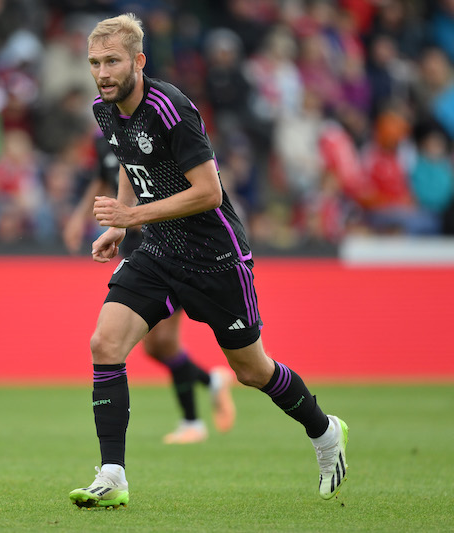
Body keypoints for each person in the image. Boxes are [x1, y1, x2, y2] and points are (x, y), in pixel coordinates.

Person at [68, 13, 348, 509]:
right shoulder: (104, 109)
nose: (102, 72)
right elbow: (133, 165)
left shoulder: (171, 108)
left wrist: (131, 215)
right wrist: (120, 224)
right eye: (94, 63)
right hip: (157, 250)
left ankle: (324, 432)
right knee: (104, 343)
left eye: (112, 61)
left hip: (215, 257)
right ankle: (112, 475)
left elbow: (209, 193)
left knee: (252, 371)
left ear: (138, 61)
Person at [63, 131, 236, 444]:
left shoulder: (157, 129)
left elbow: (191, 184)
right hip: (137, 251)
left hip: (171, 251)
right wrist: (79, 217)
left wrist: (141, 216)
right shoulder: (107, 138)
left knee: (162, 342)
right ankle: (210, 383)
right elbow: (103, 180)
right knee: (158, 347)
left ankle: (192, 421)